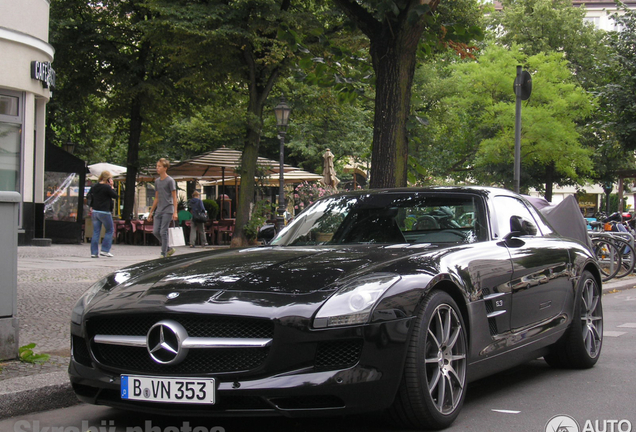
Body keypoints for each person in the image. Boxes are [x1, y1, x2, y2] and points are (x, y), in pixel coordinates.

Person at [148, 158, 178, 258]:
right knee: (155, 231)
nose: (157, 168)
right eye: (157, 166)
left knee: (163, 231)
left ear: (165, 168)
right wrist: (151, 212)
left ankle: (163, 253)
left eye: (159, 166)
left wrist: (175, 212)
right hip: (159, 209)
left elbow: (174, 197)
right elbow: (156, 198)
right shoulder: (157, 181)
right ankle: (168, 248)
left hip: (168, 209)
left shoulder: (170, 181)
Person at [88, 170, 118, 258]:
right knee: (110, 230)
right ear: (108, 179)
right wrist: (112, 186)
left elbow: (89, 195)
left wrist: (91, 205)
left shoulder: (95, 186)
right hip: (104, 211)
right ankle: (105, 250)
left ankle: (94, 252)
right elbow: (115, 196)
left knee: (96, 232)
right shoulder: (107, 187)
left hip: (95, 211)